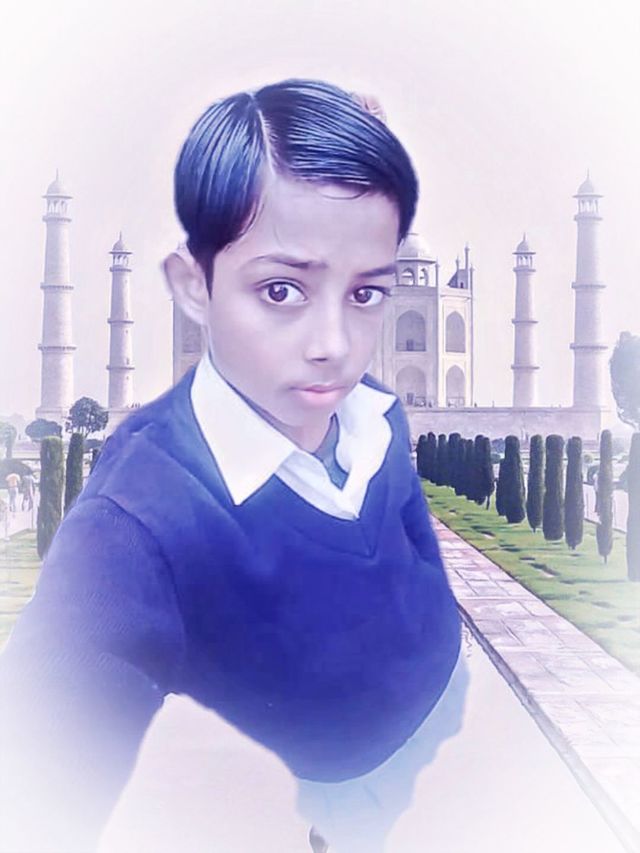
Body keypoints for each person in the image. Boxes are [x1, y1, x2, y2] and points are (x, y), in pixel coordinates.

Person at [0, 79, 467, 852]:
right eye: (282, 289)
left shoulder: (373, 419)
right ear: (198, 287)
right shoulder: (137, 528)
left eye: (363, 292)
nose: (332, 341)